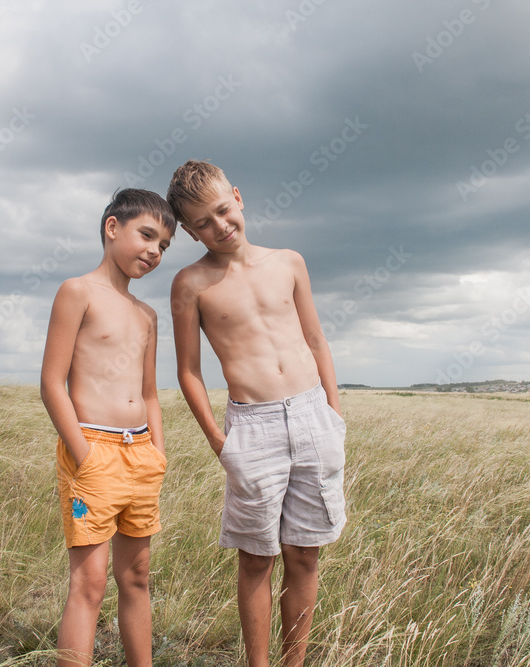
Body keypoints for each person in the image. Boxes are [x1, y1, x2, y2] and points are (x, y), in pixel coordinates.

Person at [167, 160, 346, 667]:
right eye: (203, 222)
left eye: (223, 210)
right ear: (187, 230)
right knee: (256, 559)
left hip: (313, 416)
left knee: (305, 555)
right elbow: (188, 372)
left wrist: (334, 412)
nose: (219, 226)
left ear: (238, 198)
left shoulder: (289, 262)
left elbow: (316, 340)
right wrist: (220, 444)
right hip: (253, 427)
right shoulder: (190, 284)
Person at [40, 188, 176, 667]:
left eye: (163, 246)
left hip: (140, 454)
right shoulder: (77, 291)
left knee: (136, 576)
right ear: (112, 227)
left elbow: (151, 393)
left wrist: (158, 451)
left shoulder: (147, 315)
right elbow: (52, 383)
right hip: (93, 450)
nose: (154, 252)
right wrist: (85, 455)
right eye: (146, 235)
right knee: (90, 581)